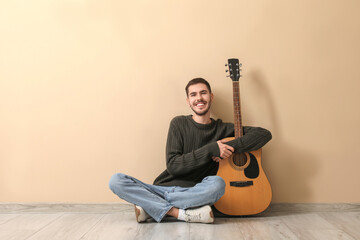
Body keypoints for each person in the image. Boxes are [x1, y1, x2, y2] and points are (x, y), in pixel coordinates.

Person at [109, 78, 272, 223]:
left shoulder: (223, 129)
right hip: (163, 187)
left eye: (203, 93)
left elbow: (264, 134)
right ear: (188, 101)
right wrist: (211, 149)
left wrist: (228, 146)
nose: (199, 98)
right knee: (116, 180)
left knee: (218, 184)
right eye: (193, 95)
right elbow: (173, 165)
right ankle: (180, 213)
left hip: (197, 190)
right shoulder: (178, 123)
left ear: (211, 97)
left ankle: (152, 207)